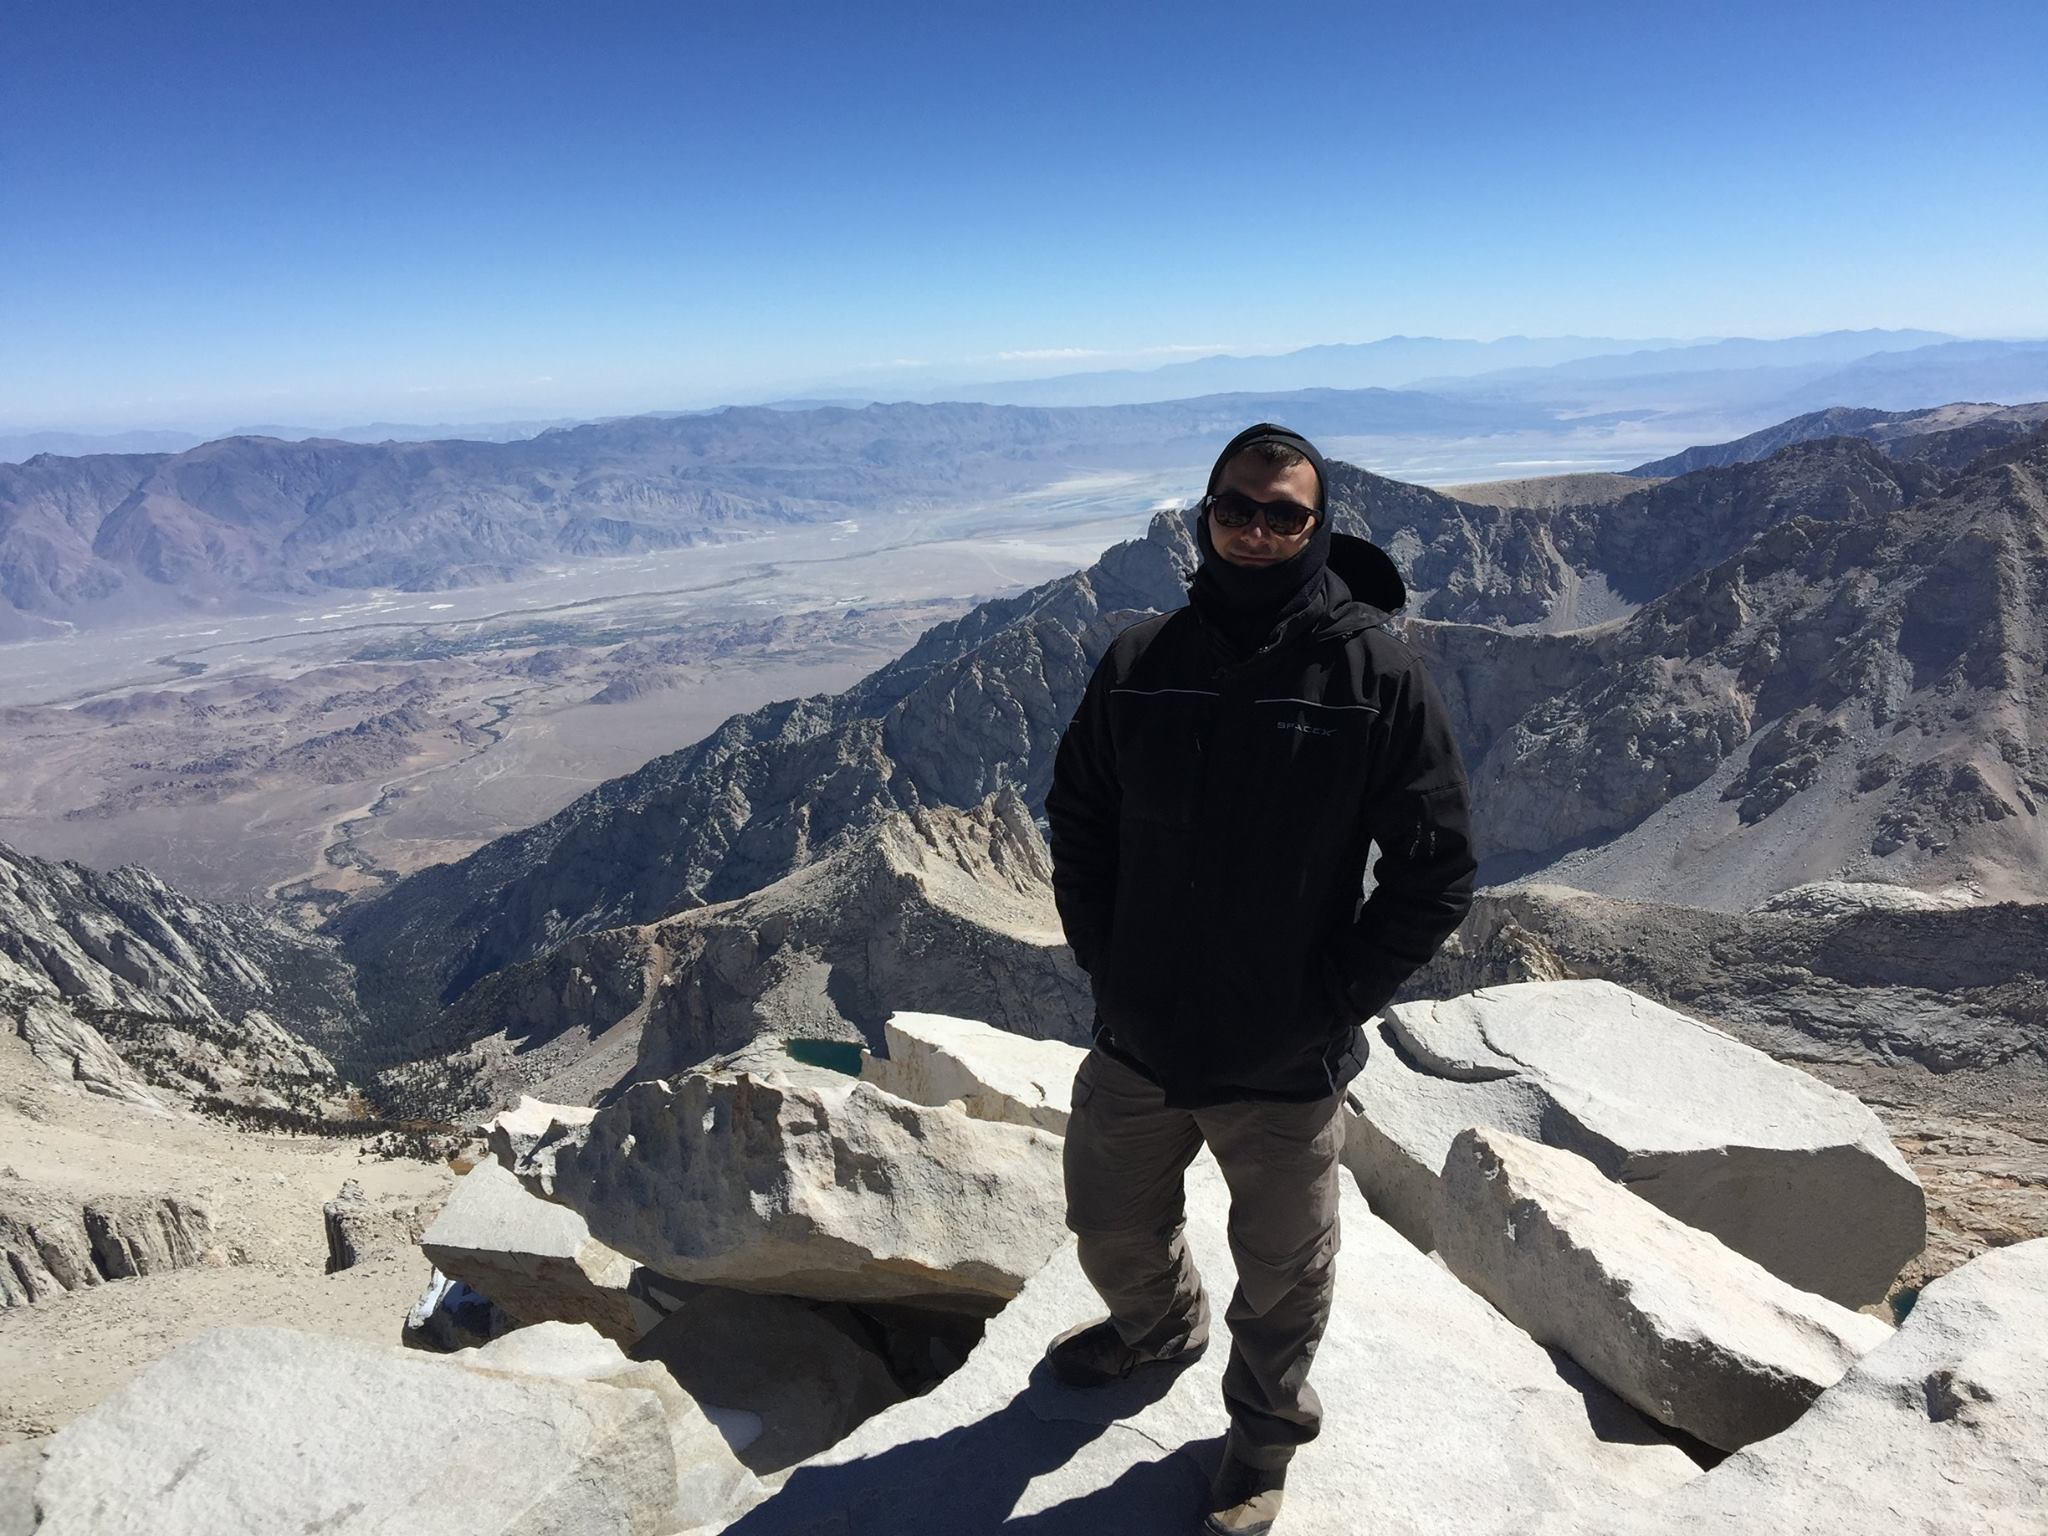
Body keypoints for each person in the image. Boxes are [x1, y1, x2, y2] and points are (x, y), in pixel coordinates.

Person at [1042, 423, 1476, 1534]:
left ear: (1316, 525)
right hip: (1139, 1037)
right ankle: (1156, 1325)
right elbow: (1080, 815)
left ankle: (1261, 1435)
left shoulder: (1370, 670)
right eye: (1237, 507)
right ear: (1205, 515)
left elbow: (1434, 869)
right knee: (1106, 1227)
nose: (1256, 529)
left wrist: (1330, 1001)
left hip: (1281, 1060)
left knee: (1284, 1272)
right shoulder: (1142, 660)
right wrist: (1107, 955)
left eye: (1283, 514)